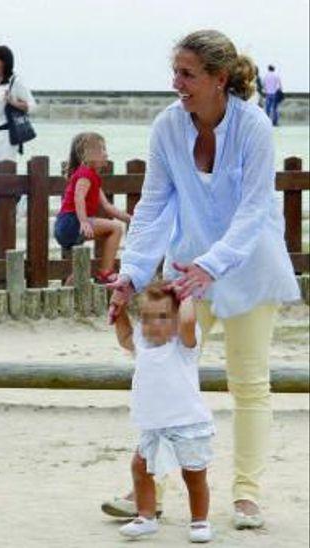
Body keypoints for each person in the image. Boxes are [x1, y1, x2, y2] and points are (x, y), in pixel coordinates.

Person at [104, 29, 301, 531]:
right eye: (175, 72)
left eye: (187, 74)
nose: (177, 84)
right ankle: (151, 488)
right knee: (166, 376)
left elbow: (255, 208)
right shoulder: (167, 126)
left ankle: (247, 496)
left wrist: (214, 263)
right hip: (185, 272)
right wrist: (129, 273)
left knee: (250, 382)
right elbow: (152, 206)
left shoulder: (254, 125)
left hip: (250, 267)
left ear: (219, 79)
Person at [112, 283, 214, 542]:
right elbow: (125, 338)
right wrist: (120, 311)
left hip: (187, 424)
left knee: (193, 475)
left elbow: (190, 319)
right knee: (140, 468)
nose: (153, 324)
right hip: (154, 426)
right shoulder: (143, 343)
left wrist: (186, 296)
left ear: (177, 319)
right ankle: (146, 516)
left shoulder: (184, 345)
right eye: (146, 318)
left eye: (163, 317)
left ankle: (200, 521)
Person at [53, 132, 130, 282]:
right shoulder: (85, 175)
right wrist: (83, 221)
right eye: (101, 150)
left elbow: (107, 206)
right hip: (72, 222)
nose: (106, 154)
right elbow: (79, 197)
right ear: (86, 154)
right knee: (116, 229)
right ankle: (106, 272)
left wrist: (129, 219)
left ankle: (66, 297)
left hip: (68, 224)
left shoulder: (90, 175)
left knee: (79, 271)